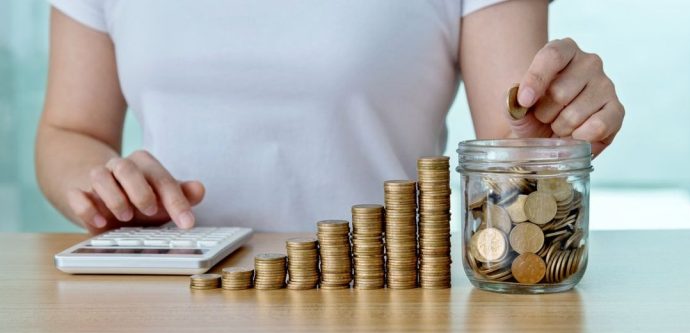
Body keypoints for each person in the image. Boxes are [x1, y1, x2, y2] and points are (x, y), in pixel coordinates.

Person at [35, 0, 624, 233]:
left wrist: (559, 126)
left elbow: (517, 139)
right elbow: (71, 132)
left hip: (385, 308)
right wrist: (100, 184)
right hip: (168, 306)